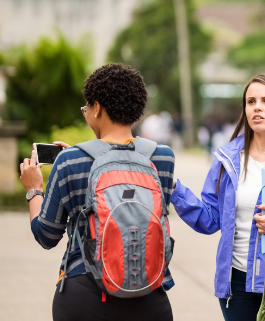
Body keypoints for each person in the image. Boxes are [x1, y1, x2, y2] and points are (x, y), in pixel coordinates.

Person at [20, 63, 175, 320]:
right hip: (149, 293)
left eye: (86, 108)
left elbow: (46, 235)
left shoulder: (70, 161)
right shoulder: (163, 157)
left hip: (85, 295)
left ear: (98, 108)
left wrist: (34, 190)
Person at [170, 73, 265, 321]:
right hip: (236, 284)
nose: (257, 108)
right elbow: (210, 220)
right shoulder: (226, 159)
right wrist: (174, 188)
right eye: (251, 101)